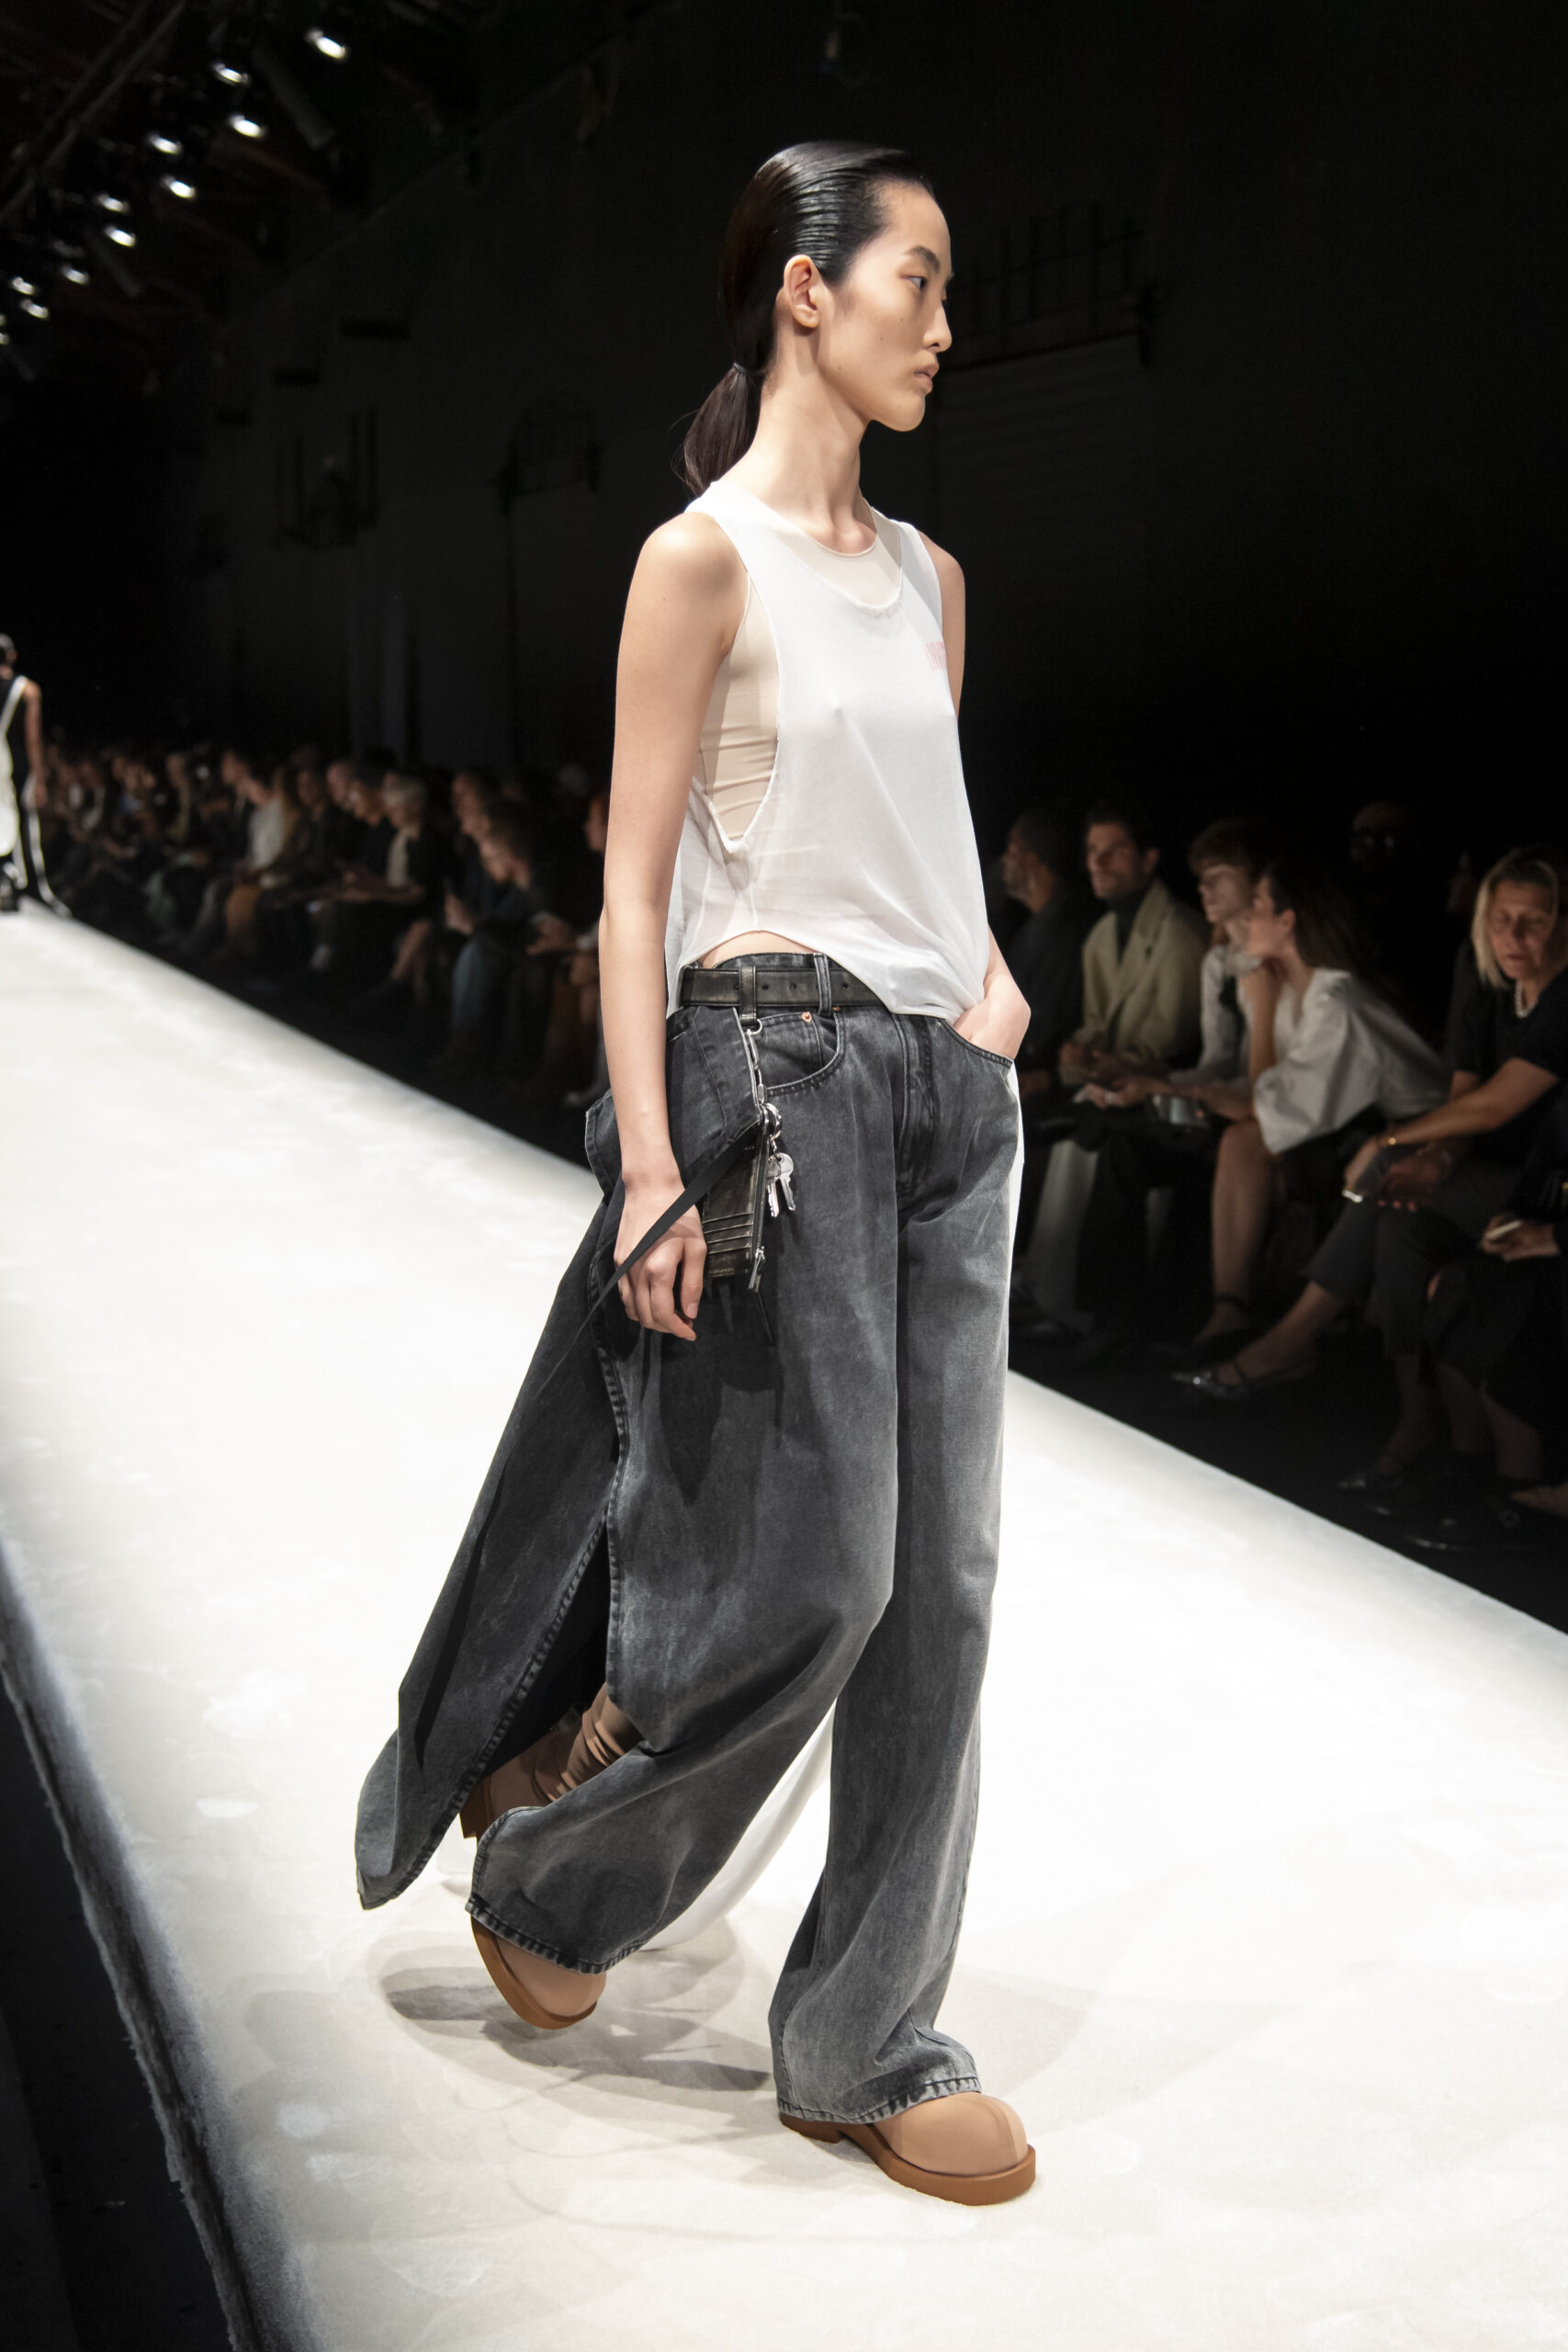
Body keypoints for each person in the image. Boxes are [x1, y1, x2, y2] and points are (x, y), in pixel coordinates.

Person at [356, 141, 1035, 2207]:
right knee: (823, 1572)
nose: (945, 322)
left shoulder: (929, 580)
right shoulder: (700, 559)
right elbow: (635, 884)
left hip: (952, 1095)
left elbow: (918, 832)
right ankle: (557, 1878)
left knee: (943, 1597)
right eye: (918, 277)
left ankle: (864, 2037)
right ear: (806, 289)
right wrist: (649, 1159)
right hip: (782, 1074)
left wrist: (992, 981)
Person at [1171, 847, 1568, 1485]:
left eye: (1534, 921)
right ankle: (1418, 1425)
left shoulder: (1560, 999)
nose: (1513, 937)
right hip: (1470, 1172)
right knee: (1398, 1227)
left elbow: (1497, 1106)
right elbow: (1465, 1104)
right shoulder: (1488, 987)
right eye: (1501, 920)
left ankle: (1289, 1341)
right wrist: (1435, 1154)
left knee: (1380, 1172)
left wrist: (1394, 1143)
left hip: (1539, 1193)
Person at [1156, 849, 1444, 1362]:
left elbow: (1272, 1107)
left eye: (1258, 905)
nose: (1247, 917)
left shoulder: (1339, 1003)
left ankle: (1255, 1325)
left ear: (1287, 921)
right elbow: (1273, 1097)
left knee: (1246, 1139)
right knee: (1241, 1140)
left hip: (1422, 1138)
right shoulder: (1298, 989)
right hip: (1351, 1129)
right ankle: (1229, 1310)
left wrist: (1167, 1089)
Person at [1064, 817, 1271, 1350]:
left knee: (1161, 1145)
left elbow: (1263, 1083)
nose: (1204, 889)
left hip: (1265, 1115)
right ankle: (1111, 1321)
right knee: (1126, 1145)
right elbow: (1219, 1060)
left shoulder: (1271, 965)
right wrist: (1149, 1081)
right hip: (1225, 1102)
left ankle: (1161, 1322)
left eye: (1219, 877)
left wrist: (1157, 1084)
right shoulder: (1221, 961)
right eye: (1202, 878)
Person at [998, 808, 1094, 1087]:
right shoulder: (1034, 929)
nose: (1004, 860)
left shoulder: (1067, 932)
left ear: (1032, 861)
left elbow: (1047, 1031)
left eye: (1012, 850)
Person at [0, 633, 54, 912]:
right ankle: (28, 883)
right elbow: (33, 738)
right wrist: (40, 778)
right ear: (12, 655)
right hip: (16, 763)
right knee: (22, 819)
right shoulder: (27, 690)